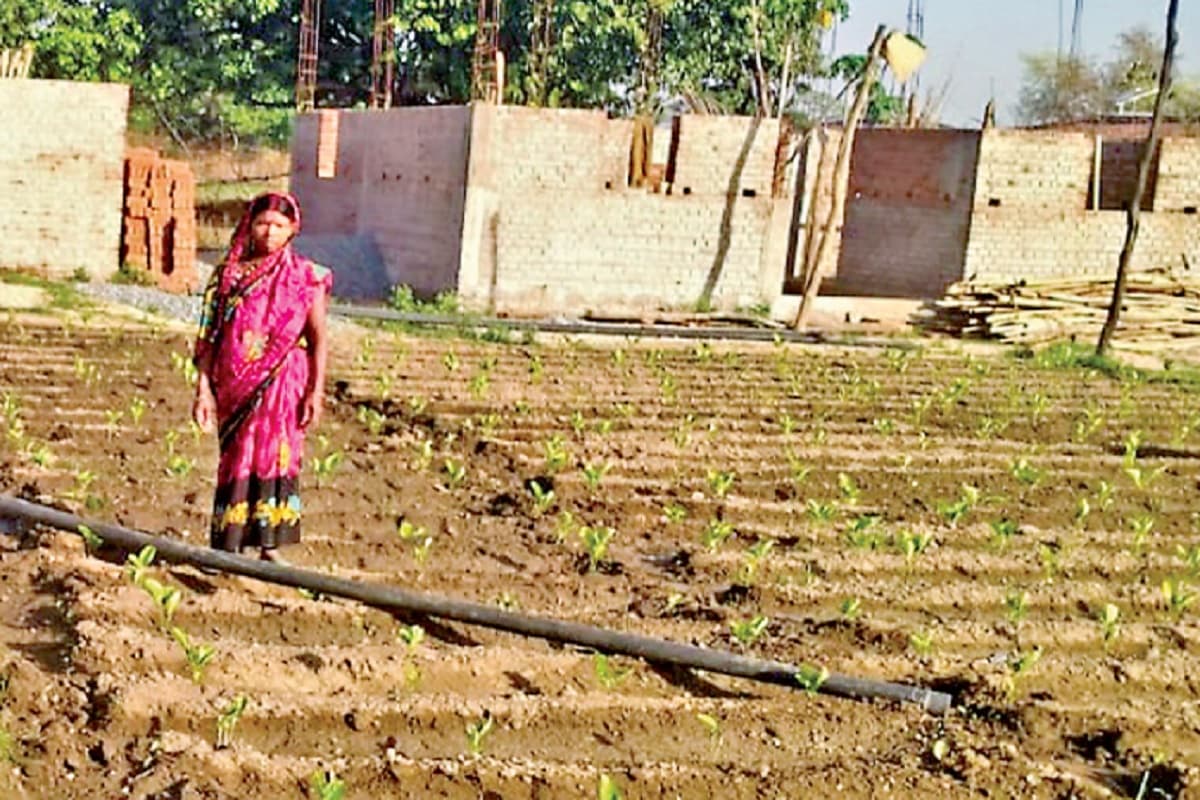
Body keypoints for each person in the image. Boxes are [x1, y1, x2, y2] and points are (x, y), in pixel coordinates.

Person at [191, 192, 332, 563]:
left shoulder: (306, 277)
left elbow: (318, 339)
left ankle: (269, 545)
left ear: (293, 229)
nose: (270, 232)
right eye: (262, 223)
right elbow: (208, 339)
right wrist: (203, 391)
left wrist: (315, 391)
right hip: (233, 386)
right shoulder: (227, 276)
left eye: (279, 225)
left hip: (283, 383)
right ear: (249, 226)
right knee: (236, 458)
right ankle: (229, 547)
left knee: (275, 456)